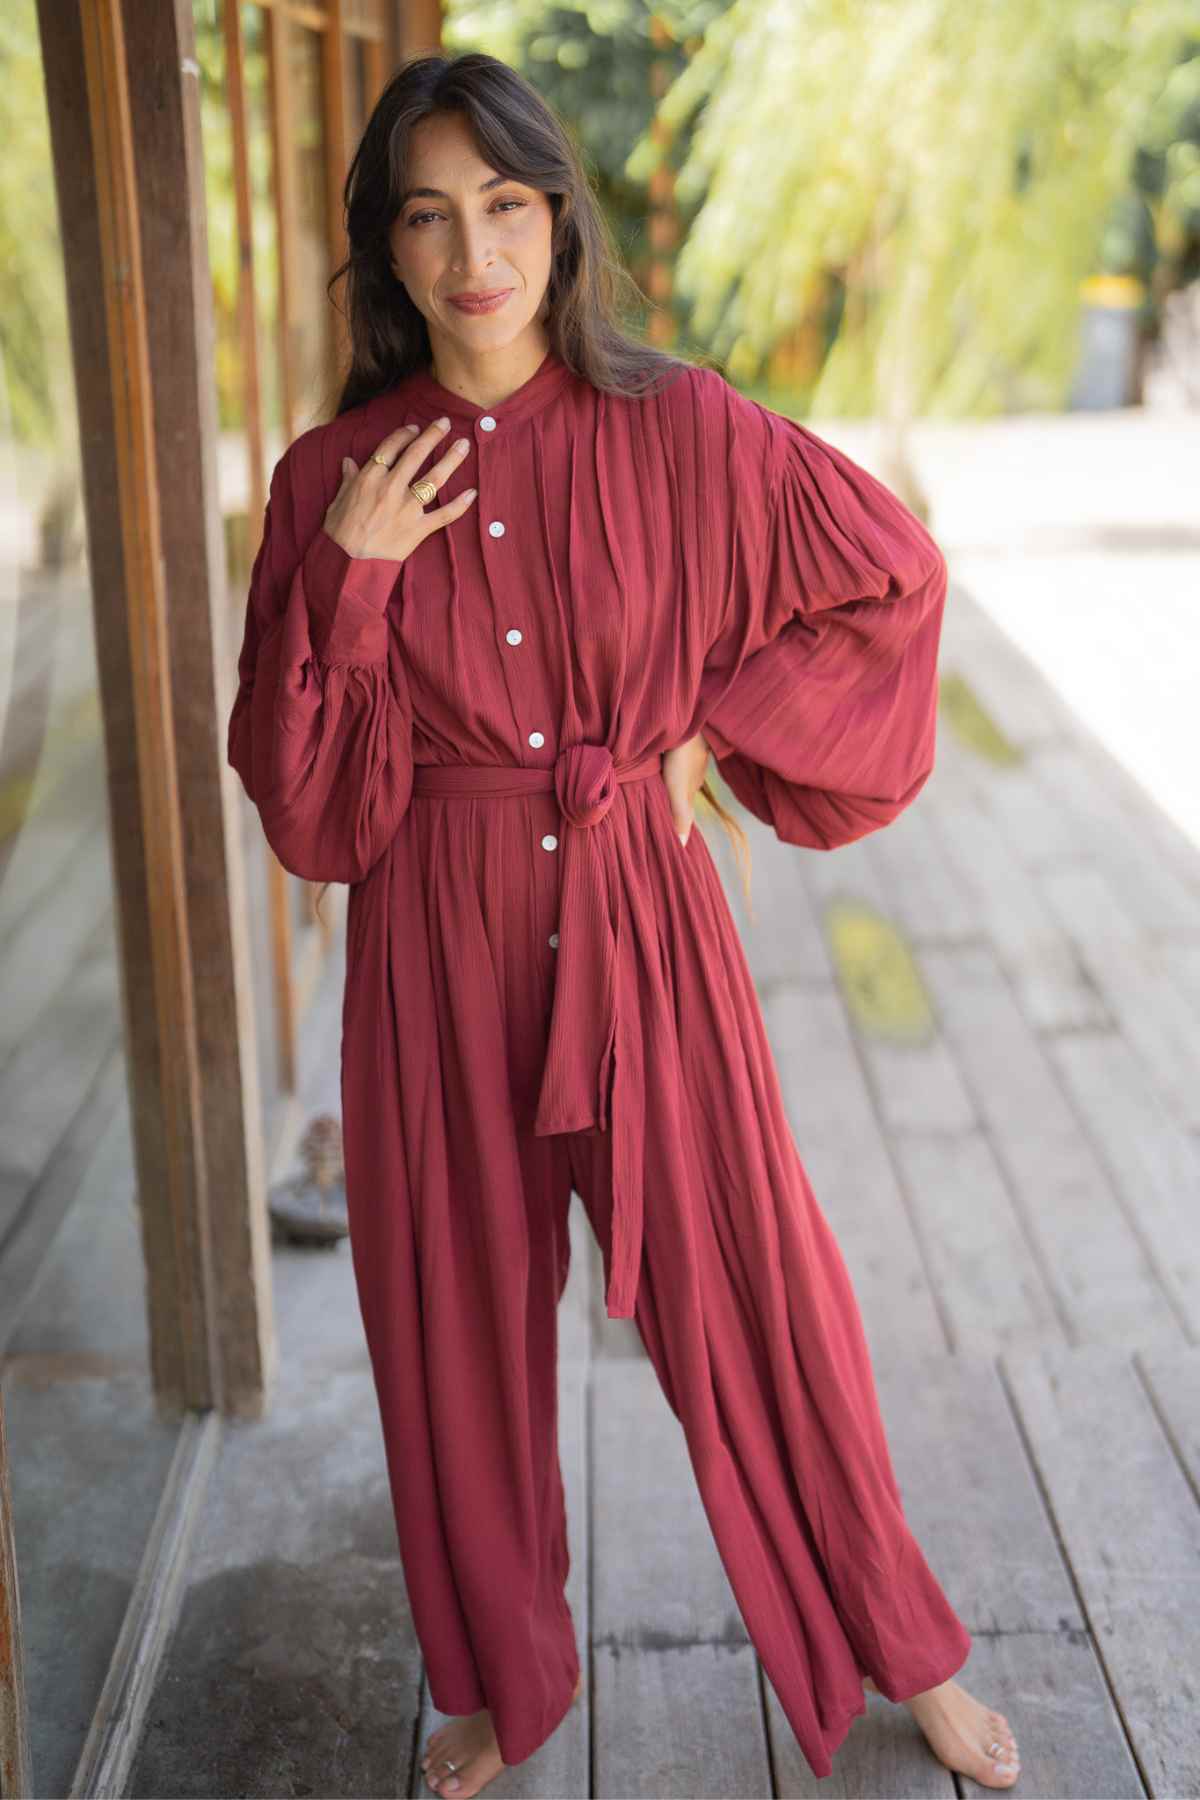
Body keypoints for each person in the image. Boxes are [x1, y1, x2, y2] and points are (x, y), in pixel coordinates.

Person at [226, 49, 1022, 1800]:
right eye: (427, 217)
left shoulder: (688, 428)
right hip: (432, 947)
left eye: (504, 205)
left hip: (640, 925)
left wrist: (708, 738)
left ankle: (905, 1648)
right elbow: (311, 816)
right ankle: (506, 1681)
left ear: (559, 218)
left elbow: (896, 573)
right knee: (456, 1327)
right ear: (385, 249)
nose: (473, 253)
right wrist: (354, 583)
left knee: (759, 1289)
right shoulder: (331, 479)